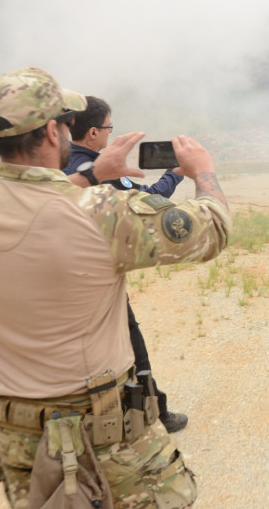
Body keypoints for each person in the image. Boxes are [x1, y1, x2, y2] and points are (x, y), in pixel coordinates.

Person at [0, 67, 232, 508]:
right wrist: (203, 172)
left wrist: (94, 172)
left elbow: (29, 199)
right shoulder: (99, 213)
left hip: (13, 437)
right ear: (56, 132)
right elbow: (213, 228)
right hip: (95, 439)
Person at [63, 95, 189, 433]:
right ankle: (156, 411)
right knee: (133, 347)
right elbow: (151, 199)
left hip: (62, 279)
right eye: (108, 127)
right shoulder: (102, 171)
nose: (109, 133)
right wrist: (175, 174)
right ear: (92, 132)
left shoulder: (55, 168)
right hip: (98, 279)